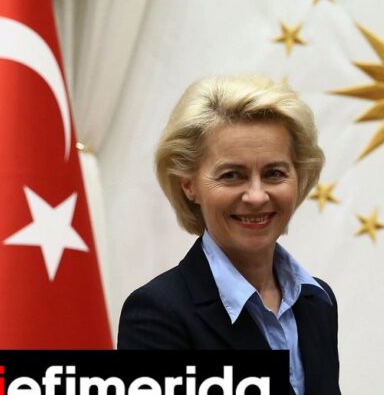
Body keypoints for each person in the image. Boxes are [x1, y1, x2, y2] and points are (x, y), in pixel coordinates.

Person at [118, 76, 341, 395]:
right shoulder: (157, 314)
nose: (256, 196)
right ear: (189, 185)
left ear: (299, 176)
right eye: (232, 175)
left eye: (274, 173)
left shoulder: (317, 301)